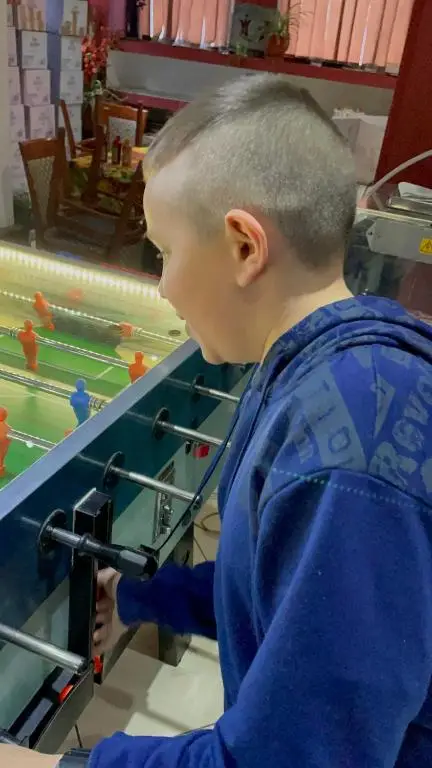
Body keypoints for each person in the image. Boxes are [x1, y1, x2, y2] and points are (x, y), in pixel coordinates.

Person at [3, 73, 432, 768]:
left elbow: (288, 761)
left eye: (165, 253)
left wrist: (54, 765)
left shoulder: (347, 454)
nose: (163, 284)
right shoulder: (324, 372)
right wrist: (143, 596)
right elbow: (278, 598)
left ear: (244, 248)